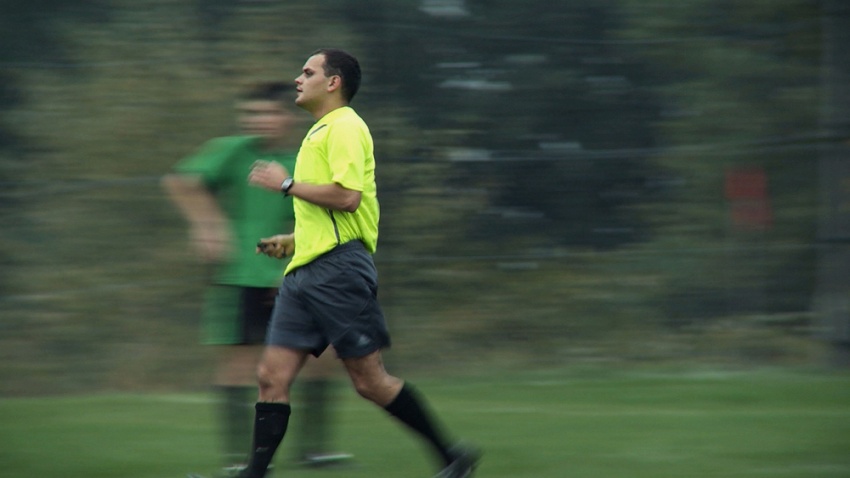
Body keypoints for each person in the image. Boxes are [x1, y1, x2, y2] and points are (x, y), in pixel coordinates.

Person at [244, 48, 481, 478]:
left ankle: (453, 457)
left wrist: (286, 183)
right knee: (270, 377)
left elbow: (348, 198)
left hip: (338, 273)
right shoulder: (319, 131)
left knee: (370, 382)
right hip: (303, 274)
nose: (298, 79)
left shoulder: (346, 127)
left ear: (333, 82)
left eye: (308, 72)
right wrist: (293, 240)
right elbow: (332, 214)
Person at [162, 81, 349, 477]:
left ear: (288, 117)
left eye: (269, 113)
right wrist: (207, 224)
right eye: (251, 114)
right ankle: (238, 460)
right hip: (240, 276)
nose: (259, 121)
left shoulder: (303, 159)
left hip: (290, 277)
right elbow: (180, 181)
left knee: (323, 358)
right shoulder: (233, 150)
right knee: (239, 366)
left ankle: (313, 450)